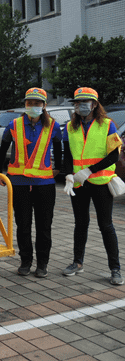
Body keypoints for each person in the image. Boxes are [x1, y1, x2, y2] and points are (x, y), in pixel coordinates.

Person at [0, 88, 62, 278]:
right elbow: (3, 149)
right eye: (29, 103)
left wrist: (57, 168)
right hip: (19, 183)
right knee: (22, 225)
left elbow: (58, 148)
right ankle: (25, 261)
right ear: (25, 105)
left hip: (45, 185)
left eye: (37, 103)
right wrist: (0, 172)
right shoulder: (14, 124)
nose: (33, 106)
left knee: (44, 226)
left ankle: (42, 264)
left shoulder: (53, 126)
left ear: (44, 106)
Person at [62, 87, 124, 285]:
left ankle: (115, 269)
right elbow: (68, 156)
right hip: (79, 183)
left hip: (100, 182)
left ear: (95, 104)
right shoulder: (70, 128)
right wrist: (69, 175)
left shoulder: (107, 125)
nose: (81, 105)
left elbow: (114, 155)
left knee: (105, 225)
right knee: (80, 224)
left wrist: (89, 170)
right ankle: (77, 262)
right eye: (78, 102)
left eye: (86, 102)